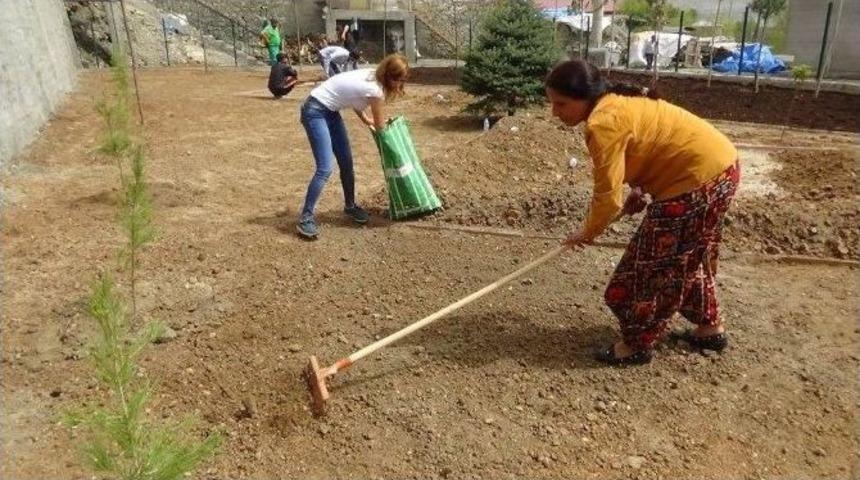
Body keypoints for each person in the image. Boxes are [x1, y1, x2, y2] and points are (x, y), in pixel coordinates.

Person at [544, 60, 740, 366]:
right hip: (721, 169)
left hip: (695, 183)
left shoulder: (602, 122)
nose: (555, 112)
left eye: (561, 104)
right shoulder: (616, 102)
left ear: (584, 97)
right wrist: (639, 190)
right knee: (687, 255)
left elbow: (606, 197)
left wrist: (588, 232)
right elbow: (649, 145)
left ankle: (635, 345)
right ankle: (709, 327)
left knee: (645, 271)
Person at [296, 54, 409, 239]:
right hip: (314, 111)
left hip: (331, 111)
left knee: (346, 163)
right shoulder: (375, 89)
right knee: (325, 168)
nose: (400, 85)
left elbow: (354, 97)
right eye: (398, 80)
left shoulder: (373, 76)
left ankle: (350, 206)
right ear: (389, 76)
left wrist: (365, 119)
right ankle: (305, 218)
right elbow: (381, 127)